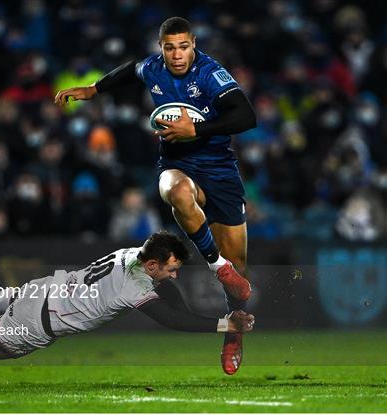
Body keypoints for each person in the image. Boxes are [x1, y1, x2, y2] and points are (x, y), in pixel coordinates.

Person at [55, 17, 256, 375]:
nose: (177, 55)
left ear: (193, 44)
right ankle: (216, 266)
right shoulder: (153, 67)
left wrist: (197, 128)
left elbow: (246, 115)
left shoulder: (210, 73)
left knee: (240, 281)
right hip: (177, 165)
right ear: (161, 47)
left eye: (183, 46)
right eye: (169, 47)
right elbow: (130, 70)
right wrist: (92, 89)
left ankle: (232, 332)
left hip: (221, 172)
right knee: (176, 192)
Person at [0, 231, 254, 361]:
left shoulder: (134, 254)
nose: (173, 274)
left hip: (41, 290)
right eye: (170, 267)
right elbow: (172, 320)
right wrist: (225, 323)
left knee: (3, 309)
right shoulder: (132, 287)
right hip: (38, 322)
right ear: (152, 265)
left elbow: (167, 291)